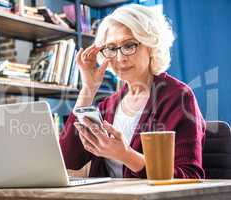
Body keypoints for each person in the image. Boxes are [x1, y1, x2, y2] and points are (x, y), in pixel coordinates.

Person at [59, 4, 205, 179]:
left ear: (151, 46)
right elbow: (68, 160)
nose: (120, 58)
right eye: (112, 48)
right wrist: (88, 89)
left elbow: (190, 176)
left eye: (129, 45)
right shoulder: (108, 106)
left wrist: (126, 155)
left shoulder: (179, 97)